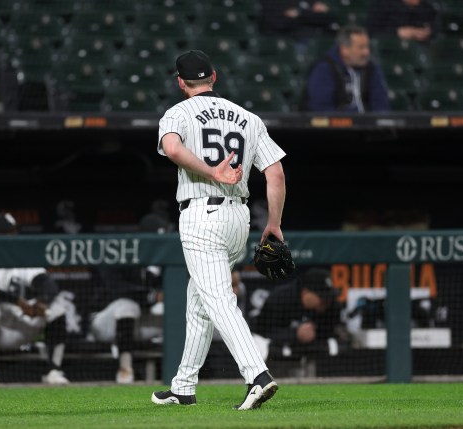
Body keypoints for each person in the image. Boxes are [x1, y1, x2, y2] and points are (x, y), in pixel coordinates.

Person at [151, 50, 287, 410]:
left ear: (181, 82)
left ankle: (257, 375)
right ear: (214, 75)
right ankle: (183, 386)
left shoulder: (177, 113)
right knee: (199, 302)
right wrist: (273, 223)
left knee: (218, 299)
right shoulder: (248, 117)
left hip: (202, 214)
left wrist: (212, 172)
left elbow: (171, 147)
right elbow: (275, 173)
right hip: (238, 220)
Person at [0, 212, 71, 385]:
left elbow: (46, 283)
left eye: (14, 232)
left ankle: (54, 371)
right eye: (6, 232)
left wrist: (42, 302)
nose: (12, 237)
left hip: (8, 327)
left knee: (56, 306)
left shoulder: (20, 257)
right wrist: (18, 302)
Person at [250, 267, 347, 362]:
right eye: (322, 297)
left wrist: (316, 331)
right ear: (306, 293)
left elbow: (335, 332)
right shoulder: (280, 298)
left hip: (317, 356)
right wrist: (295, 334)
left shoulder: (331, 305)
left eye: (329, 296)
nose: (327, 301)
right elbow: (262, 332)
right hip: (280, 358)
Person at [303, 24, 390, 113]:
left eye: (367, 47)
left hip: (369, 125)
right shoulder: (324, 69)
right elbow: (321, 108)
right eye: (361, 47)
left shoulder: (371, 68)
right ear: (344, 49)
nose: (366, 52)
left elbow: (381, 104)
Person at [258, 0, 335, 52]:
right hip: (288, 41)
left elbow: (325, 16)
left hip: (315, 36)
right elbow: (277, 23)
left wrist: (300, 14)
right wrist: (308, 15)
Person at [366, 0, 439, 43]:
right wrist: (397, 32)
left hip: (422, 55)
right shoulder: (382, 4)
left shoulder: (427, 7)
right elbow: (371, 33)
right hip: (390, 55)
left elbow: (438, 33)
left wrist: (428, 33)